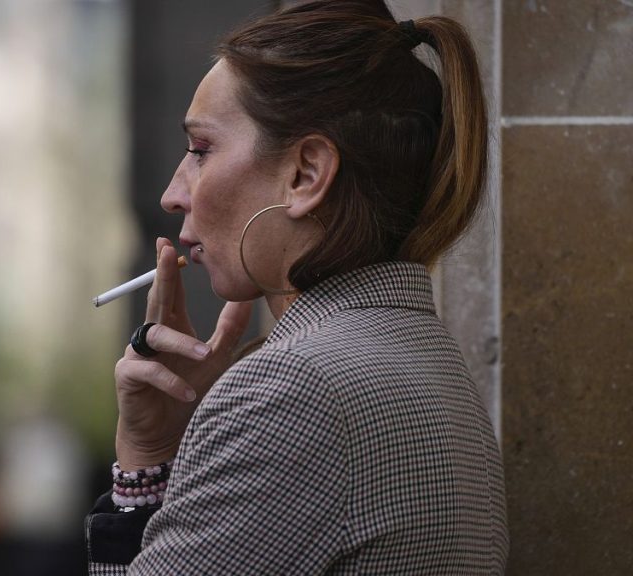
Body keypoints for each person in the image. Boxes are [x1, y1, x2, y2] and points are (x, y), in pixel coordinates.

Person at [85, 1, 508, 574]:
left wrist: (144, 466)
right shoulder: (430, 360)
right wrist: (156, 452)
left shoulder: (291, 390)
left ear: (306, 174)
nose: (172, 193)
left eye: (202, 150)